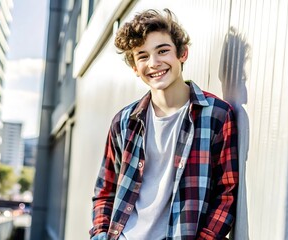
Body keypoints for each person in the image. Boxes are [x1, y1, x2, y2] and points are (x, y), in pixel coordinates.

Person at [90, 9, 239, 240]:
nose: (154, 63)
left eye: (163, 51)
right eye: (142, 56)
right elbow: (105, 190)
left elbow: (227, 193)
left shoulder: (217, 115)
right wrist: (100, 233)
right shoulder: (124, 122)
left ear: (183, 53)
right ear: (135, 68)